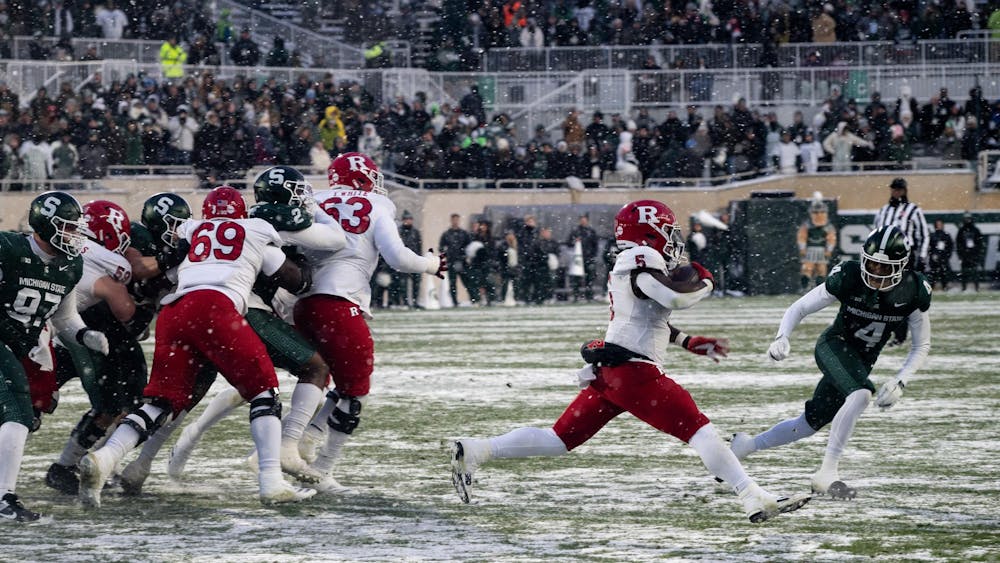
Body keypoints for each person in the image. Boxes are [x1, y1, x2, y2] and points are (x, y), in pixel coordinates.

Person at [449, 200, 811, 523]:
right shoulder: (642, 258)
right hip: (634, 372)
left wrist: (686, 340)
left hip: (613, 371)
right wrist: (706, 281)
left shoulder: (634, 261)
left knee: (559, 439)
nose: (672, 239)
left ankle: (477, 449)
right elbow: (673, 297)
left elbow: (648, 315)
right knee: (699, 429)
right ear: (649, 232)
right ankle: (754, 497)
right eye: (666, 231)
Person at [78, 186, 318, 507]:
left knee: (160, 403)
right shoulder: (256, 227)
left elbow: (163, 272)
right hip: (216, 305)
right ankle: (271, 481)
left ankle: (105, 458)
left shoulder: (190, 230)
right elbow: (294, 278)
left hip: (174, 311)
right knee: (264, 392)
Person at [733, 225, 931, 500]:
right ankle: (827, 475)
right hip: (834, 345)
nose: (876, 273)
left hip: (861, 361)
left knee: (808, 424)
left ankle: (745, 446)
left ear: (901, 267)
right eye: (872, 264)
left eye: (885, 268)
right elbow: (800, 307)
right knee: (861, 394)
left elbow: (922, 344)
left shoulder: (913, 290)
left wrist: (901, 380)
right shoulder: (849, 277)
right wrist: (782, 337)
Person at [293, 152, 446, 492]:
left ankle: (307, 435)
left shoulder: (315, 199)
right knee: (355, 391)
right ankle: (322, 468)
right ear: (363, 178)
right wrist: (432, 264)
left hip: (301, 305)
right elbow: (398, 258)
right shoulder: (376, 205)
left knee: (324, 376)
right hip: (339, 303)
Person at [0, 192, 109, 522]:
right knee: (18, 407)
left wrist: (85, 334)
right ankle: (4, 499)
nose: (74, 235)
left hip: (16, 346)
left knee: (19, 412)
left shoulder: (69, 265)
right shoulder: (9, 250)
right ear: (46, 225)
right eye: (67, 227)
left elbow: (64, 316)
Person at [873, 177, 929, 344]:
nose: (896, 192)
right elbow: (875, 232)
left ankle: (900, 335)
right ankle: (883, 333)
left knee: (900, 297)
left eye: (899, 189)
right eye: (894, 189)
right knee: (881, 296)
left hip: (903, 256)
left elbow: (924, 234)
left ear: (904, 191)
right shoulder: (883, 210)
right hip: (883, 257)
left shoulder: (913, 210)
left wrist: (923, 257)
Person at [797, 197, 836, 292]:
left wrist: (829, 250)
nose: (819, 215)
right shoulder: (807, 225)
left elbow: (831, 239)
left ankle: (820, 289)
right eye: (816, 212)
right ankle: (805, 288)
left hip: (822, 250)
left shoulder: (828, 226)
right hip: (810, 250)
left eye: (821, 212)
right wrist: (802, 248)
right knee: (807, 269)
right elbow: (802, 237)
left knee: (821, 270)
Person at [438, 213, 471, 307]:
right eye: (454, 220)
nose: (455, 222)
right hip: (451, 261)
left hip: (462, 261)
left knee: (467, 281)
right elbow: (441, 247)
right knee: (452, 283)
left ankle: (473, 298)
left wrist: (464, 256)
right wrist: (446, 252)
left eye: (457, 220)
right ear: (451, 221)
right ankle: (454, 301)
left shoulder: (464, 233)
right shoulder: (446, 234)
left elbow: (469, 246)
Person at [391, 210, 422, 307]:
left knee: (416, 283)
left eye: (410, 219)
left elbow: (419, 246)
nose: (408, 221)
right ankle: (404, 302)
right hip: (403, 260)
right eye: (406, 219)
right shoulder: (399, 231)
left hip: (414, 260)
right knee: (402, 283)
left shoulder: (415, 232)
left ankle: (415, 301)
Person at [566, 213, 598, 302]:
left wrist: (592, 256)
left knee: (589, 278)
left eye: (584, 219)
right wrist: (574, 242)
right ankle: (576, 296)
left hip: (588, 258)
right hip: (578, 259)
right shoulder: (575, 231)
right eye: (581, 219)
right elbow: (568, 243)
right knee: (577, 278)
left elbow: (595, 245)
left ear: (587, 220)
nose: (583, 221)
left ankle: (589, 296)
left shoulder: (591, 231)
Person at [955, 212, 985, 291]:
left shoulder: (975, 230)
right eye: (966, 219)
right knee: (964, 273)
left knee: (975, 273)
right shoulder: (961, 231)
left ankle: (976, 288)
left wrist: (977, 253)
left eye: (969, 218)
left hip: (973, 254)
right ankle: (964, 288)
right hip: (965, 255)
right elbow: (958, 243)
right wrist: (961, 254)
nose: (967, 220)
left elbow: (980, 243)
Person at [927, 219, 953, 290]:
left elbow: (950, 246)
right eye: (938, 224)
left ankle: (944, 286)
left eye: (940, 224)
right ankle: (931, 287)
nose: (939, 226)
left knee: (944, 273)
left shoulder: (946, 235)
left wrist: (947, 255)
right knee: (933, 273)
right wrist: (932, 255)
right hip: (934, 258)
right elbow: (929, 247)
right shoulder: (932, 235)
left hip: (943, 258)